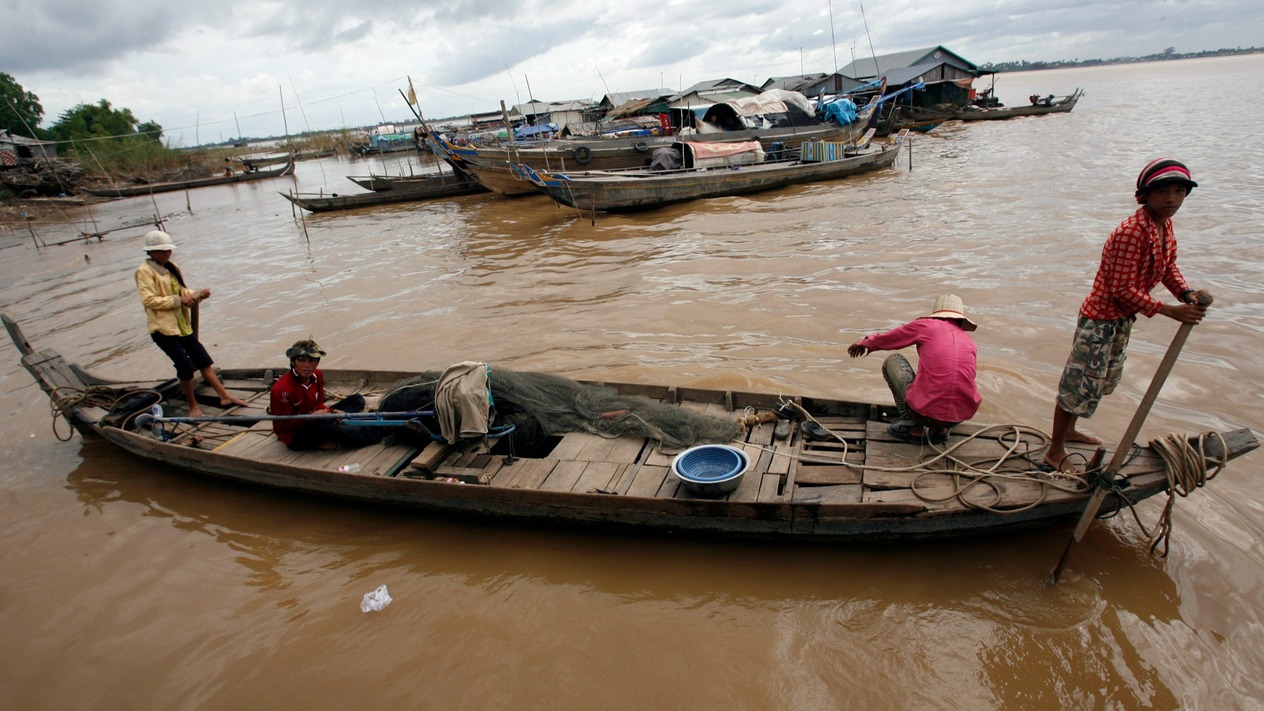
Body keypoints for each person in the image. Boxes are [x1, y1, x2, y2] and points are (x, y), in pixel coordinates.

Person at [1046, 158, 1213, 473]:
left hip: (1122, 319)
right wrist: (1170, 311)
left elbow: (1167, 267)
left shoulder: (1163, 226)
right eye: (1163, 192)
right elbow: (1122, 289)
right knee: (1077, 384)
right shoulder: (1132, 232)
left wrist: (1186, 294)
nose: (1172, 199)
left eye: (1179, 191)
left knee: (1096, 383)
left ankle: (1068, 432)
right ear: (1145, 195)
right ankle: (1055, 451)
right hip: (1101, 318)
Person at [135, 230, 248, 417]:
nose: (166, 254)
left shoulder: (172, 267)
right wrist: (180, 300)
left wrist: (197, 294)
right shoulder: (144, 272)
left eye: (168, 250)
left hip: (182, 326)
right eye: (161, 251)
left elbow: (182, 290)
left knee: (203, 361)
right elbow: (149, 300)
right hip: (164, 330)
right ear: (151, 252)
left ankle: (225, 396)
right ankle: (192, 406)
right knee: (185, 368)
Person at [848, 295, 982, 445]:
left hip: (926, 413)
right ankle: (941, 431)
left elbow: (891, 338)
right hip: (958, 417)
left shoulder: (927, 325)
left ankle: (914, 428)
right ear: (960, 320)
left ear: (936, 315)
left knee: (893, 361)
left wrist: (864, 343)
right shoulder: (969, 342)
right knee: (949, 378)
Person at [269, 338, 383, 450]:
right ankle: (376, 434)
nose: (307, 365)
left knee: (357, 400)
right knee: (329, 428)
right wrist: (309, 418)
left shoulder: (317, 375)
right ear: (293, 362)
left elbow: (318, 404)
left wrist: (332, 412)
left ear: (317, 362)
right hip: (295, 434)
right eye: (301, 360)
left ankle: (336, 427)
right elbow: (281, 428)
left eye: (311, 360)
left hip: (315, 417)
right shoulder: (282, 391)